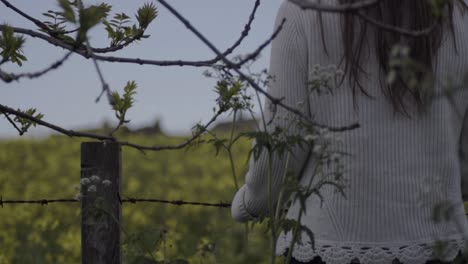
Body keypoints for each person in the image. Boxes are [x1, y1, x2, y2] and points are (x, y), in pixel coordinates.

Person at [231, 0, 468, 263]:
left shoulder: (303, 9)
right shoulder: (460, 16)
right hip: (440, 246)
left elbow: (284, 139)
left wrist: (251, 203)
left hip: (326, 245)